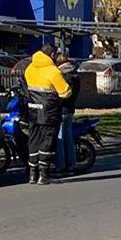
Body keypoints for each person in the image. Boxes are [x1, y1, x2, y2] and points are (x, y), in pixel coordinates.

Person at [24, 43, 72, 185]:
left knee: (33, 140)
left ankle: (32, 174)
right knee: (47, 142)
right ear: (51, 55)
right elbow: (65, 92)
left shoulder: (30, 68)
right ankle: (43, 175)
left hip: (33, 110)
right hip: (49, 112)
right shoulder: (53, 71)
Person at [55, 52, 81, 174]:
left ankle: (60, 165)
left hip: (62, 109)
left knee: (60, 139)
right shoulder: (75, 74)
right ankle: (72, 163)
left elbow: (61, 94)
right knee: (69, 138)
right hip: (70, 108)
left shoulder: (62, 76)